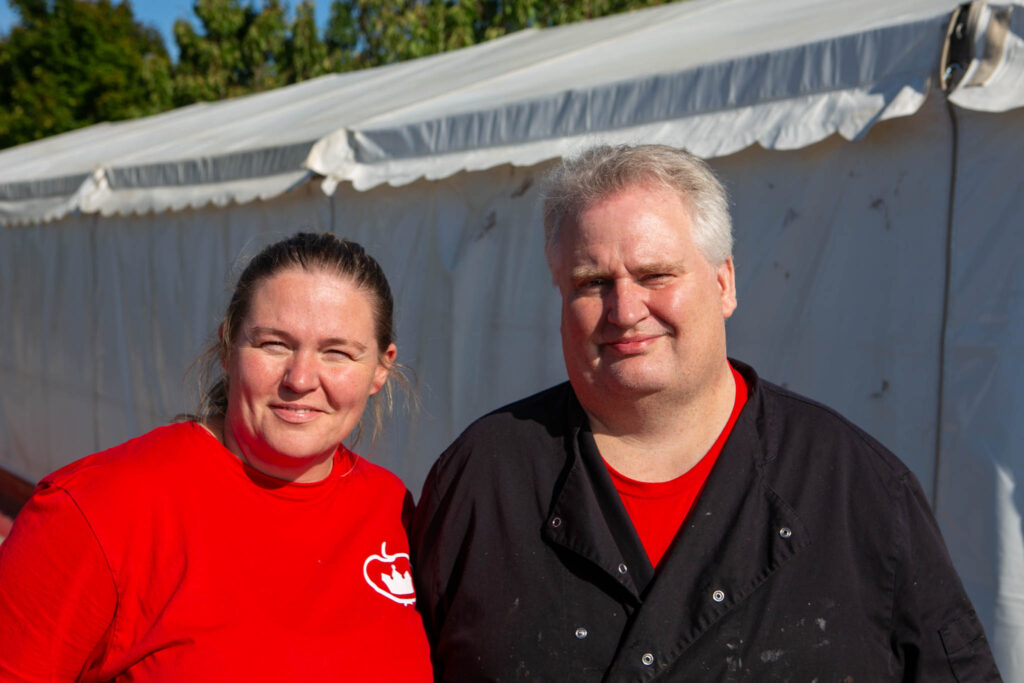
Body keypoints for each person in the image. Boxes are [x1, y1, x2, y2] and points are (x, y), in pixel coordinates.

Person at [412, 145, 1001, 681]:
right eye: (591, 283)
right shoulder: (481, 481)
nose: (624, 309)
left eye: (655, 275)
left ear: (724, 284)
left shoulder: (857, 489)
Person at [0, 232, 432, 681]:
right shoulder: (97, 509)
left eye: (337, 353)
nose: (300, 378)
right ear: (227, 347)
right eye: (274, 344)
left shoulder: (393, 509)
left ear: (381, 369)